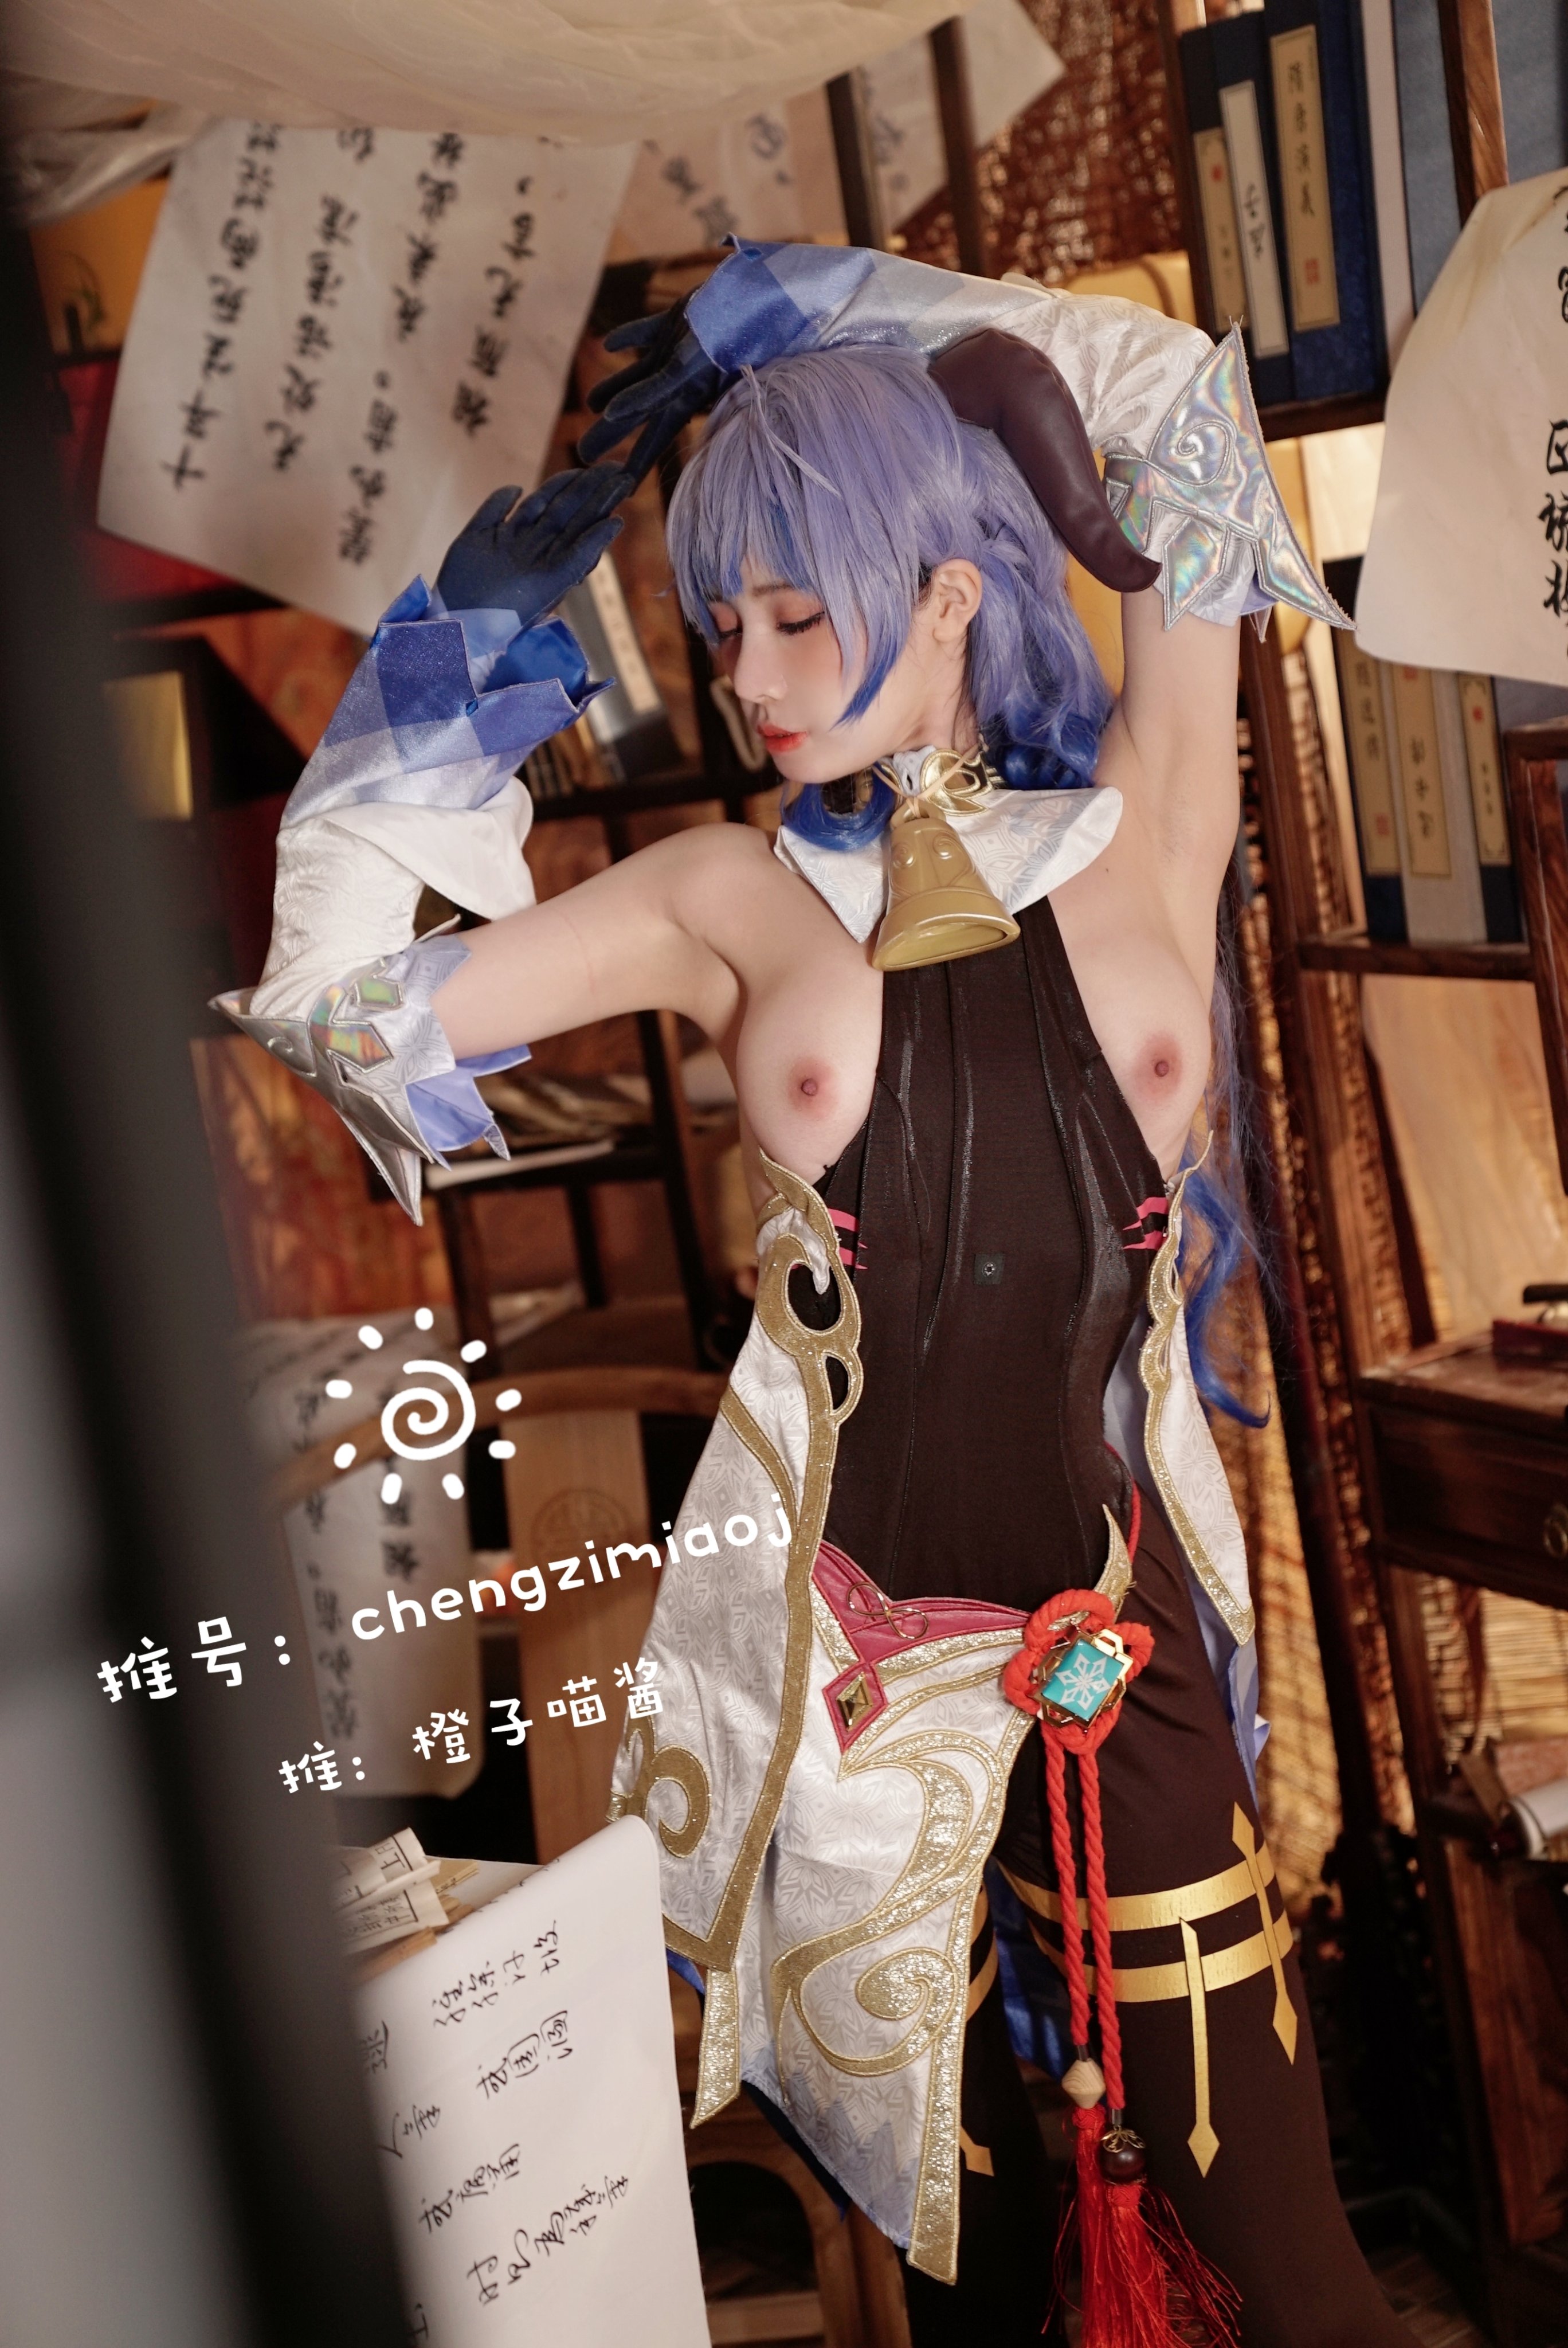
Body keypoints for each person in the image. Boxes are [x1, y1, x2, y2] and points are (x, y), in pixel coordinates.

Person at [227, 244, 1410, 2346]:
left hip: (1116, 1628)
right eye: (722, 627)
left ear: (949, 596)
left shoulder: (1147, 815)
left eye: (800, 612)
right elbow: (330, 1007)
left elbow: (1189, 409)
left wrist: (867, 319)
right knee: (963, 2267)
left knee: (1280, 2237)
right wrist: (477, 633)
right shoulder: (722, 894)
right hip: (847, 1677)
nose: (752, 678)